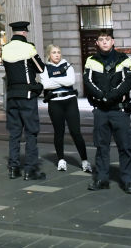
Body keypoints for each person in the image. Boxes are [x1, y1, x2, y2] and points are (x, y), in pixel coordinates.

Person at [84, 28, 131, 194]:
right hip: (101, 111)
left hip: (119, 111)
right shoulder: (91, 60)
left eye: (107, 39)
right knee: (101, 147)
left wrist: (109, 96)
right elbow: (88, 82)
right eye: (101, 39)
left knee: (125, 147)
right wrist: (102, 96)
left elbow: (127, 83)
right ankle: (101, 179)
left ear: (113, 41)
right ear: (97, 43)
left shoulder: (124, 60)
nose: (105, 42)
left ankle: (127, 181)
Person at [2, 21, 47, 180]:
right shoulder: (28, 47)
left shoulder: (5, 48)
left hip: (12, 96)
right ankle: (30, 169)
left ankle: (13, 168)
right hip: (27, 96)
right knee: (31, 132)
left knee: (14, 133)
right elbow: (40, 68)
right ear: (25, 32)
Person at [42, 44, 91, 173]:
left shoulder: (67, 65)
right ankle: (61, 160)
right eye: (54, 52)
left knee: (76, 132)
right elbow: (46, 84)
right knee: (59, 132)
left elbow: (71, 81)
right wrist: (61, 80)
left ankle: (85, 161)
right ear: (49, 55)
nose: (57, 54)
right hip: (54, 103)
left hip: (70, 101)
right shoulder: (45, 68)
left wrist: (54, 80)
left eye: (58, 52)